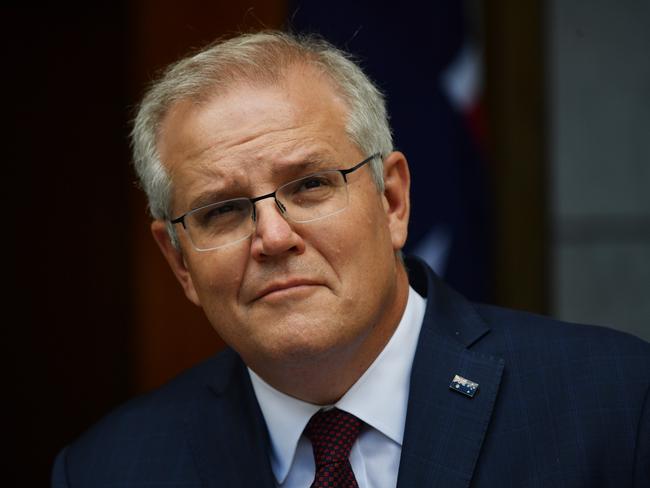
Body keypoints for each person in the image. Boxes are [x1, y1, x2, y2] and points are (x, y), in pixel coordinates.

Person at [52, 31, 649, 488]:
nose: (273, 237)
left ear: (392, 201)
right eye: (223, 211)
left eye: (310, 184)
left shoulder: (615, 403)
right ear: (181, 263)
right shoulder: (111, 469)